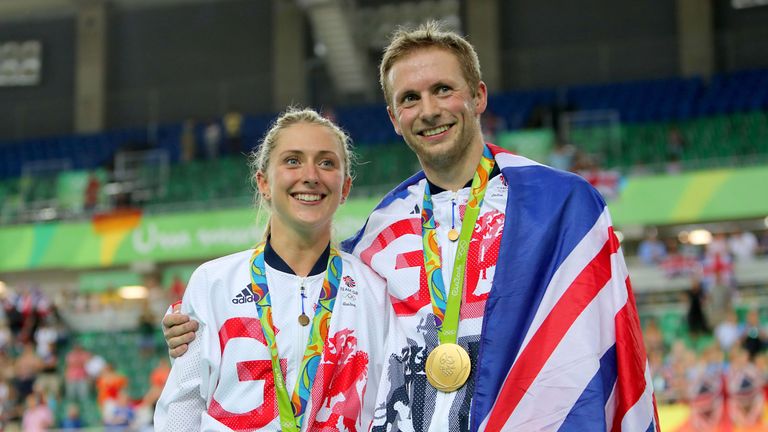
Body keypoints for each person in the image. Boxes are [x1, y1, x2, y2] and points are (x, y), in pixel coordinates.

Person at [163, 22, 658, 431]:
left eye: (443, 89)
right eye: (410, 98)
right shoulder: (380, 234)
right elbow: (311, 310)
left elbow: (614, 349)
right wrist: (195, 333)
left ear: (478, 96)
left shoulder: (562, 206)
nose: (428, 110)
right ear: (394, 118)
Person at [154, 107, 395, 431]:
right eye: (293, 160)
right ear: (264, 182)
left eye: (326, 162)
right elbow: (181, 410)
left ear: (345, 188)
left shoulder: (374, 289)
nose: (310, 175)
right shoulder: (213, 283)